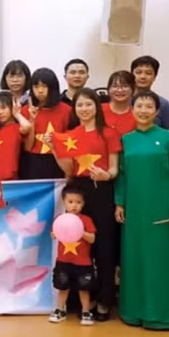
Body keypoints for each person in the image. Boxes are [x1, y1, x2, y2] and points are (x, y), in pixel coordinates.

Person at [114, 90, 169, 331]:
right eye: (139, 106)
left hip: (162, 209)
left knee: (160, 260)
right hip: (134, 209)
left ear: (157, 111)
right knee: (134, 258)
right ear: (132, 109)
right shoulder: (125, 140)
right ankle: (133, 312)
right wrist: (119, 202)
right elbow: (121, 176)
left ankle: (162, 314)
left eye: (149, 106)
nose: (144, 110)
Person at [47, 88, 121, 322]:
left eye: (89, 104)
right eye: (80, 105)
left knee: (104, 248)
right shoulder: (71, 134)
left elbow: (114, 169)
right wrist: (54, 149)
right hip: (79, 192)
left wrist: (105, 176)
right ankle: (77, 300)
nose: (84, 109)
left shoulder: (109, 133)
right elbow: (68, 170)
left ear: (97, 107)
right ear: (74, 109)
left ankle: (105, 300)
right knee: (76, 246)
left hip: (103, 191)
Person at [48, 184, 97, 326]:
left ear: (83, 203)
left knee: (84, 288)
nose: (74, 205)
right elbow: (52, 235)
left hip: (83, 262)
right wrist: (54, 233)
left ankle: (86, 311)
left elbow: (92, 239)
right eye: (70, 202)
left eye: (78, 202)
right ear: (64, 202)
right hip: (63, 261)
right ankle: (59, 310)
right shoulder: (60, 219)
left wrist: (80, 230)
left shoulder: (86, 220)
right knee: (63, 287)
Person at [20, 68, 71, 180]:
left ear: (52, 87)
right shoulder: (25, 110)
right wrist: (32, 120)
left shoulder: (66, 110)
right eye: (36, 86)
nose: (40, 90)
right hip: (32, 162)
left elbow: (69, 144)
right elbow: (27, 148)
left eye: (44, 86)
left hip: (57, 160)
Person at [0, 92, 32, 182]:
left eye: (4, 108)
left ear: (12, 108)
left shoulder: (16, 128)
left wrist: (17, 114)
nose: (0, 112)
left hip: (10, 180)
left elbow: (27, 126)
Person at [130, 55, 169, 133]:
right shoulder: (122, 101)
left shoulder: (163, 104)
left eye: (148, 73)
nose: (143, 76)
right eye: (138, 72)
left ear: (154, 77)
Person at [102, 71, 137, 137]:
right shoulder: (98, 111)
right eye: (115, 86)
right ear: (108, 89)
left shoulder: (137, 114)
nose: (120, 90)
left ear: (133, 89)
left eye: (125, 86)